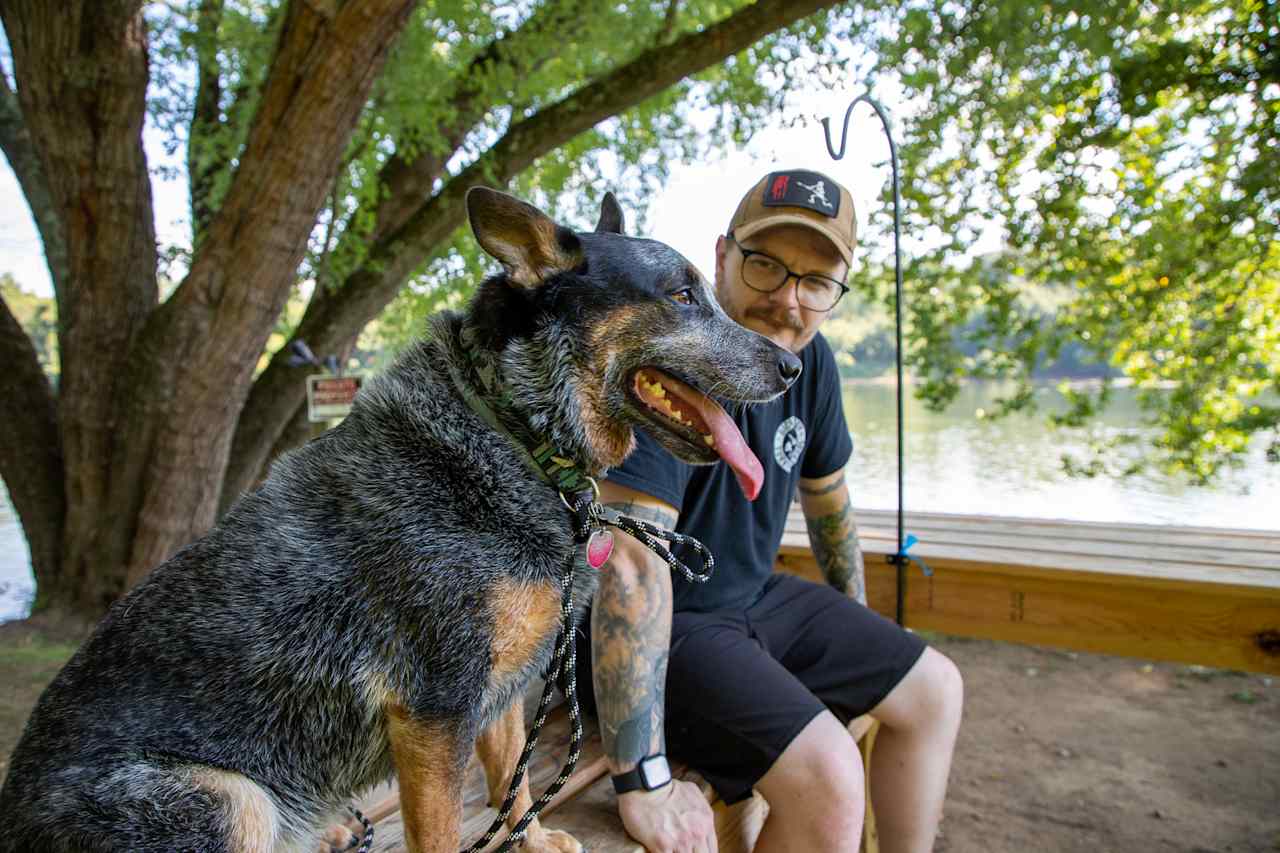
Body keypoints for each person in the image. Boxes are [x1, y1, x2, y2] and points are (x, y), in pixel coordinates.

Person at [577, 170, 965, 853]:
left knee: (935, 687)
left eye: (816, 280)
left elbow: (830, 503)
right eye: (766, 266)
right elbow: (632, 565)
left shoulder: (811, 366)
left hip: (758, 598)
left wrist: (859, 641)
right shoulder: (668, 356)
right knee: (831, 776)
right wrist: (642, 776)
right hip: (674, 627)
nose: (788, 299)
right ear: (722, 256)